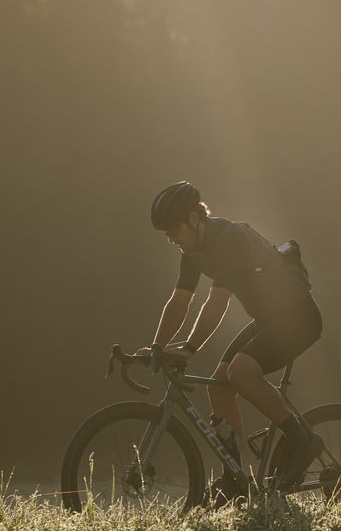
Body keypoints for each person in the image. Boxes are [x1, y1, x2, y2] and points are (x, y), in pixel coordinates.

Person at [136, 181, 325, 497]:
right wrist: (157, 346)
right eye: (166, 235)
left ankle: (303, 441)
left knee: (240, 373)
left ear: (196, 218)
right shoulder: (193, 250)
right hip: (269, 321)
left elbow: (217, 301)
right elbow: (179, 301)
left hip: (299, 317)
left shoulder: (230, 239)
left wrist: (189, 347)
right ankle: (235, 480)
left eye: (174, 230)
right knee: (220, 388)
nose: (171, 239)